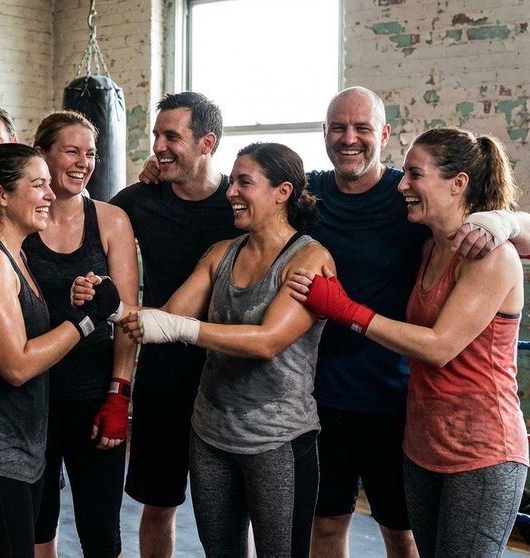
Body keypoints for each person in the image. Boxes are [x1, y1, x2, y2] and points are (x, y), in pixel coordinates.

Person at [288, 127, 530, 558]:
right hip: (423, 444)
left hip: (481, 450)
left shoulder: (490, 256)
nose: (401, 185)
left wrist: (347, 311)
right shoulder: (429, 249)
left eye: (415, 175)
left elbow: (439, 347)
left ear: (458, 184)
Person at [100, 142, 330, 556]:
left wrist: (179, 327)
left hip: (276, 439)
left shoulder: (310, 258)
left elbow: (266, 342)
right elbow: (164, 322)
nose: (231, 192)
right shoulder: (222, 253)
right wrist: (108, 305)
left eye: (246, 182)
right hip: (210, 433)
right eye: (233, 181)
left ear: (283, 192)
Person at [0, 143, 121, 557]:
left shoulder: (16, 255)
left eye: (48, 185)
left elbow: (23, 331)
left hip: (16, 448)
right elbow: (15, 364)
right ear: (1, 194)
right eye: (38, 185)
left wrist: (73, 305)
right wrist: (85, 322)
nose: (50, 195)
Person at [110, 91, 243, 558]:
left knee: (230, 511)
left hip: (230, 377)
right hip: (164, 376)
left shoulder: (243, 204)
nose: (159, 146)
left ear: (207, 142)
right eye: (156, 136)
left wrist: (487, 218)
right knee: (159, 504)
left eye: (172, 136)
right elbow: (81, 221)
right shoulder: (138, 201)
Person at [20, 111, 137, 558]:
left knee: (101, 529)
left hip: (92, 395)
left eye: (90, 153)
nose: (83, 162)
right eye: (71, 151)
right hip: (31, 395)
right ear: (42, 155)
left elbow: (128, 316)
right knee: (36, 523)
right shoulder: (20, 221)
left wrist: (119, 393)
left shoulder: (111, 220)